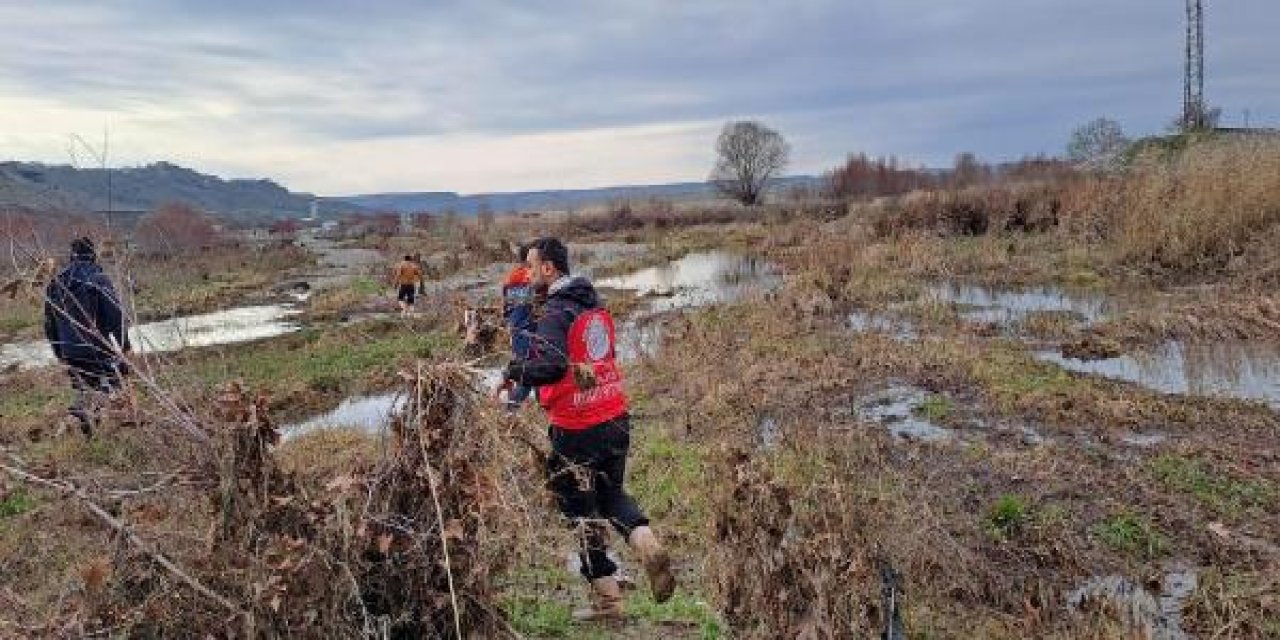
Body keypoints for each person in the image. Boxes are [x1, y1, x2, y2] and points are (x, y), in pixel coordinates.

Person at [500, 237, 675, 621]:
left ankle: (609, 604)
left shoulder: (556, 312)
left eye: (531, 267)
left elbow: (550, 368)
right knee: (611, 494)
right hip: (615, 417)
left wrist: (512, 371)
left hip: (577, 430)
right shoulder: (594, 304)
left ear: (548, 269)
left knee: (580, 511)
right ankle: (646, 542)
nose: (527, 276)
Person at [43, 237, 130, 437]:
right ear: (93, 254)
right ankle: (87, 415)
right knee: (112, 381)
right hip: (96, 346)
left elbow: (49, 323)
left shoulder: (55, 283)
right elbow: (115, 315)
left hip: (68, 349)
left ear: (71, 255)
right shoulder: (99, 279)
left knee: (85, 385)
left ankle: (87, 423)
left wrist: (59, 352)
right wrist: (123, 345)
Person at [499, 243, 536, 411]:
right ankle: (509, 412)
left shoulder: (511, 277)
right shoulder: (531, 277)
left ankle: (508, 404)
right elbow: (532, 308)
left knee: (528, 372)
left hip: (517, 331)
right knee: (528, 377)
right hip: (530, 333)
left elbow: (507, 310)